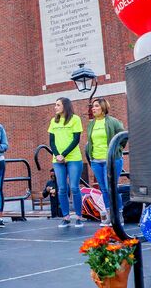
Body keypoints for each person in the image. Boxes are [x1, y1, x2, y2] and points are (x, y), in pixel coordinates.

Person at [85, 98, 127, 226]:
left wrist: (118, 148)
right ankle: (109, 216)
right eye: (93, 106)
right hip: (96, 161)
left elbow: (124, 136)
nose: (93, 108)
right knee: (103, 189)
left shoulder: (113, 122)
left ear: (103, 108)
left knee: (111, 188)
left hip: (112, 160)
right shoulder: (91, 124)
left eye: (96, 106)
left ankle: (119, 216)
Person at [48, 97, 84, 228]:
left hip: (73, 158)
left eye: (58, 105)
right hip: (57, 160)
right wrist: (57, 155)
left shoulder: (75, 119)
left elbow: (76, 140)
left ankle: (79, 216)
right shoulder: (53, 121)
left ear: (65, 106)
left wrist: (64, 154)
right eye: (55, 105)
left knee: (74, 187)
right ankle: (66, 217)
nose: (55, 107)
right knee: (62, 188)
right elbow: (51, 141)